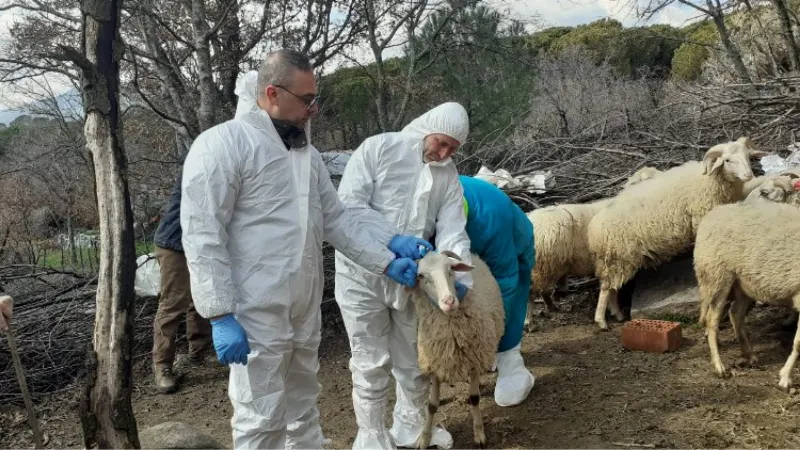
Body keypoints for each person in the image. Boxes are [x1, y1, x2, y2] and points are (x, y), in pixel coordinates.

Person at [179, 49, 432, 450]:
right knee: (259, 412)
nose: (313, 109)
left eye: (315, 98)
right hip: (254, 308)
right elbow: (201, 232)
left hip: (302, 303)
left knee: (302, 398)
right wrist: (219, 312)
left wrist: (386, 256)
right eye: (306, 99)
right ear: (272, 93)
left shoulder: (306, 156)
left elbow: (337, 220)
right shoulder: (222, 145)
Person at [334, 102, 474, 450]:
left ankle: (410, 425)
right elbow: (348, 206)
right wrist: (390, 242)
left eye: (452, 149)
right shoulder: (379, 148)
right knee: (370, 360)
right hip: (361, 275)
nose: (443, 154)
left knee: (413, 356)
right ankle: (371, 435)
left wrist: (457, 273)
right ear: (427, 128)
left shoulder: (448, 175)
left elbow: (453, 226)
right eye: (441, 143)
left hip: (412, 280)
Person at [459, 174, 536, 407]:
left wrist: (487, 329)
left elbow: (505, 279)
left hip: (509, 241)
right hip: (463, 247)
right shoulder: (418, 206)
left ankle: (510, 360)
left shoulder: (489, 215)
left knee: (507, 290)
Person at [151, 168, 215, 394]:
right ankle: (163, 366)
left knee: (199, 298)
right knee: (173, 303)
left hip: (198, 242)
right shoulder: (198, 166)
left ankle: (197, 354)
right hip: (174, 243)